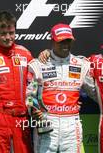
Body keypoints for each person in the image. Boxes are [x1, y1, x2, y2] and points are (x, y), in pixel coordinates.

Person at [27, 23, 93, 153]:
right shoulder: (39, 64)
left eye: (68, 41)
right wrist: (33, 110)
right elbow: (29, 94)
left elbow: (96, 92)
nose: (65, 45)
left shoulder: (82, 64)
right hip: (46, 121)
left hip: (71, 123)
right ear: (52, 41)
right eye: (61, 41)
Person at [0, 11, 33, 152]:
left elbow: (35, 84)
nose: (8, 37)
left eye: (11, 33)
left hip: (21, 119)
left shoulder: (25, 54)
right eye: (3, 33)